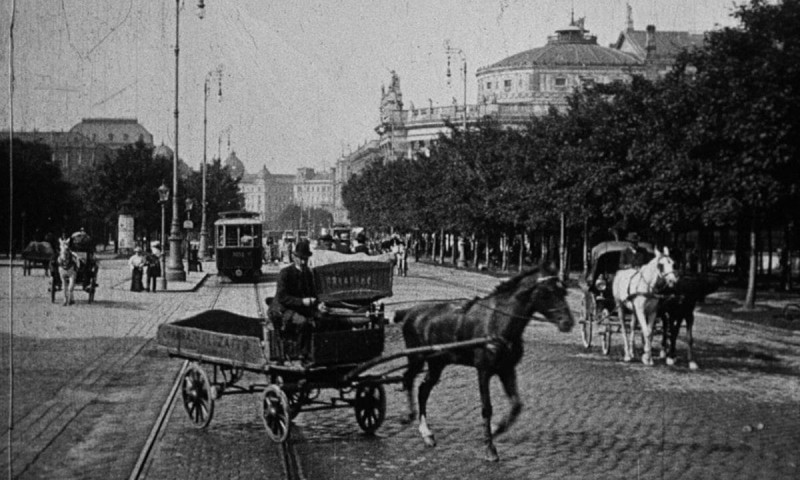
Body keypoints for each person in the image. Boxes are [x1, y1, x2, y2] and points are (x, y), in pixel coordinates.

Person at [267, 239, 326, 360]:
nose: (304, 262)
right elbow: (282, 297)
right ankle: (300, 354)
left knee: (323, 320)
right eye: (301, 258)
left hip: (301, 308)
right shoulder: (285, 273)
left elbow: (313, 293)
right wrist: (302, 302)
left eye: (306, 259)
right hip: (283, 310)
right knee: (303, 322)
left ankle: (316, 352)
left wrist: (318, 304)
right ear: (294, 257)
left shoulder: (308, 274)